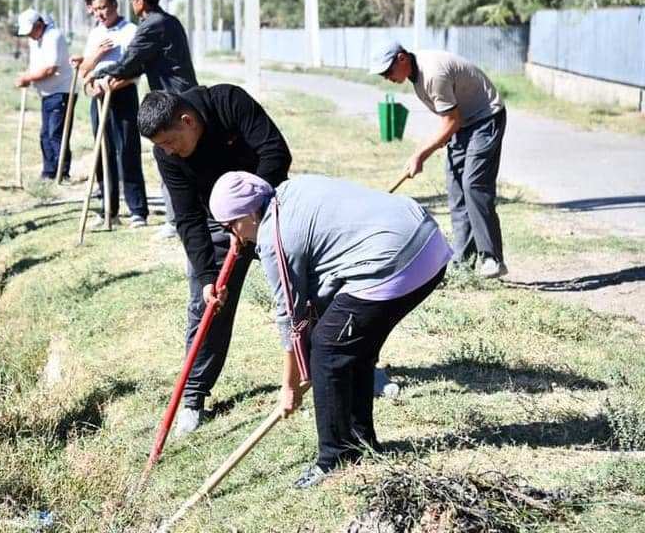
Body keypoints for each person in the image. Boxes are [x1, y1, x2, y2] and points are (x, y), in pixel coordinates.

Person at [208, 171, 450, 488]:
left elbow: (291, 320)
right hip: (428, 241)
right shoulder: (292, 190)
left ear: (248, 214)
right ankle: (362, 445)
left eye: (230, 227)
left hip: (397, 260)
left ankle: (333, 458)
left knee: (327, 350)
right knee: (350, 346)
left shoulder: (274, 237)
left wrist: (289, 387)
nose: (233, 238)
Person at [137, 87, 291, 434]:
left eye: (170, 142)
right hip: (215, 221)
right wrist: (208, 275)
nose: (167, 151)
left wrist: (250, 211)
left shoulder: (229, 103)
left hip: (269, 203)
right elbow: (188, 217)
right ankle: (193, 398)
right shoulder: (167, 155)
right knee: (207, 304)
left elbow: (275, 152)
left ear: (187, 121)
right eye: (160, 146)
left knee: (305, 285)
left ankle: (353, 366)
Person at [371, 42, 508, 278]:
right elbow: (450, 119)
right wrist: (430, 147)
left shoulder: (432, 74)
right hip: (464, 123)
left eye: (387, 71)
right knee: (456, 191)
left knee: (473, 185)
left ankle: (492, 258)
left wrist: (420, 154)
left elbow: (451, 120)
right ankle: (462, 262)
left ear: (402, 58)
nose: (387, 77)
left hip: (485, 118)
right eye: (383, 74)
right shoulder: (417, 76)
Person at [88, 0, 198, 240]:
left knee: (169, 156)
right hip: (183, 95)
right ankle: (188, 216)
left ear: (140, 1)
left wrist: (100, 72)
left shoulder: (151, 26)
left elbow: (129, 63)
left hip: (174, 99)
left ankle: (176, 220)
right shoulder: (168, 20)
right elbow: (138, 65)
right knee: (183, 158)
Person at [76, 0, 149, 228]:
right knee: (102, 153)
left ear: (115, 6)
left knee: (127, 150)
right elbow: (85, 69)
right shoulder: (95, 34)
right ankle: (109, 209)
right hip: (97, 98)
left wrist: (112, 85)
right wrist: (95, 59)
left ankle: (138, 210)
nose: (100, 13)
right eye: (96, 9)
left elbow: (136, 70)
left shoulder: (130, 31)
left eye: (104, 8)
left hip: (122, 95)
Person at [15, 9, 73, 181]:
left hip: (61, 91)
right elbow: (36, 66)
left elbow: (50, 69)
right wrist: (27, 76)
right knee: (45, 134)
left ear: (39, 25)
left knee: (56, 133)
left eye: (31, 31)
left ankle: (62, 172)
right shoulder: (35, 40)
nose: (29, 36)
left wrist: (28, 78)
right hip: (47, 93)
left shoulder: (54, 37)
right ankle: (49, 171)